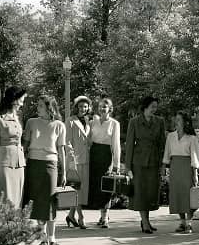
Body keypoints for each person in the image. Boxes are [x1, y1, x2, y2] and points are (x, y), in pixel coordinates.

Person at [23, 95, 67, 245]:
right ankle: (42, 238)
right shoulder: (31, 122)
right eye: (38, 104)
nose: (37, 107)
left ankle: (52, 237)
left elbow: (61, 149)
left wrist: (65, 172)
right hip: (33, 164)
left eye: (41, 105)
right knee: (38, 201)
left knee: (50, 200)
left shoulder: (59, 125)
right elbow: (25, 146)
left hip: (51, 164)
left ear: (50, 107)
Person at [126, 95, 166, 234]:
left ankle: (146, 221)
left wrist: (163, 164)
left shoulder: (160, 121)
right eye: (152, 107)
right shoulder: (134, 122)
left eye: (156, 107)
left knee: (150, 193)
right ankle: (145, 222)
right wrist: (128, 167)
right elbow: (130, 144)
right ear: (145, 107)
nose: (154, 109)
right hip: (139, 162)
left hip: (154, 161)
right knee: (141, 193)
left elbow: (163, 144)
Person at [0, 86, 27, 208]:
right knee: (5, 199)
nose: (24, 99)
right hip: (4, 164)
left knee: (17, 198)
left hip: (19, 164)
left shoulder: (19, 116)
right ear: (14, 99)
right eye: (22, 97)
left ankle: (15, 226)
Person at [162, 111, 199, 233]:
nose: (176, 122)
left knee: (187, 196)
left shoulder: (192, 138)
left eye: (179, 119)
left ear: (185, 122)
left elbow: (195, 155)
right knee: (177, 194)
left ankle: (189, 223)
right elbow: (167, 152)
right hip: (175, 167)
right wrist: (164, 166)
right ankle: (182, 222)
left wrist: (195, 172)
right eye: (176, 119)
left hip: (186, 167)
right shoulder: (171, 136)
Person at [87, 97, 120, 228]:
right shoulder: (92, 122)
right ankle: (101, 214)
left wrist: (117, 164)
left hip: (106, 154)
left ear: (110, 109)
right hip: (94, 153)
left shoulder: (114, 123)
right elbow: (88, 139)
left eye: (105, 107)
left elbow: (116, 144)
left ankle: (105, 216)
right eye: (100, 106)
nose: (102, 109)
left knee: (106, 184)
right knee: (96, 184)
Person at [65, 95, 92, 229]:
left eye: (85, 106)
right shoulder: (70, 121)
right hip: (75, 160)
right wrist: (71, 159)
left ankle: (71, 215)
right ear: (76, 107)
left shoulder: (88, 121)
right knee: (76, 190)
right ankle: (81, 217)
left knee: (81, 190)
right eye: (80, 106)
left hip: (86, 159)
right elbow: (67, 141)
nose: (83, 109)